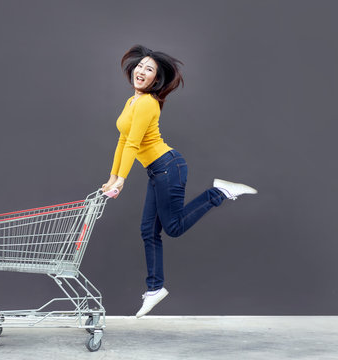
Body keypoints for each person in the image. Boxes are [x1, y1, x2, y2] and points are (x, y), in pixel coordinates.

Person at [101, 45, 257, 318]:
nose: (142, 71)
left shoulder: (148, 103)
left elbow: (134, 144)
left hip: (168, 167)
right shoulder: (132, 101)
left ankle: (218, 192)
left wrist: (122, 180)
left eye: (149, 70)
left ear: (155, 80)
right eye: (141, 66)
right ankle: (155, 288)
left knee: (171, 228)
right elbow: (123, 140)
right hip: (158, 170)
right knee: (148, 231)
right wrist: (113, 177)